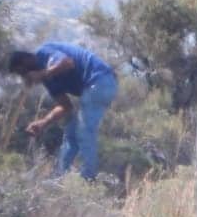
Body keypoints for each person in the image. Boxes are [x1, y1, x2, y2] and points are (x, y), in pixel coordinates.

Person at [7, 42, 119, 181]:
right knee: (71, 133)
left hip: (100, 80)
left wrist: (43, 73)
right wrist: (43, 122)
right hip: (94, 87)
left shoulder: (43, 53)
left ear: (27, 60)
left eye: (23, 72)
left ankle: (88, 178)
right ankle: (61, 176)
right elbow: (65, 106)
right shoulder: (48, 81)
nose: (25, 76)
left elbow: (67, 63)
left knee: (84, 130)